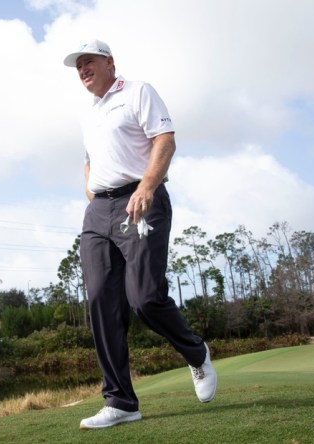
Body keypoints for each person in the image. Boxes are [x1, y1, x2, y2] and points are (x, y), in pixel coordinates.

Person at [63, 39, 217, 430]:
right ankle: (120, 402)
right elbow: (88, 161)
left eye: (88, 62)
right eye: (77, 66)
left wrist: (147, 186)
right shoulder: (89, 114)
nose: (82, 69)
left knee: (145, 298)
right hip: (99, 211)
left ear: (110, 62)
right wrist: (92, 191)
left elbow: (165, 141)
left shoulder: (137, 92)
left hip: (141, 199)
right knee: (101, 301)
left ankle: (196, 353)